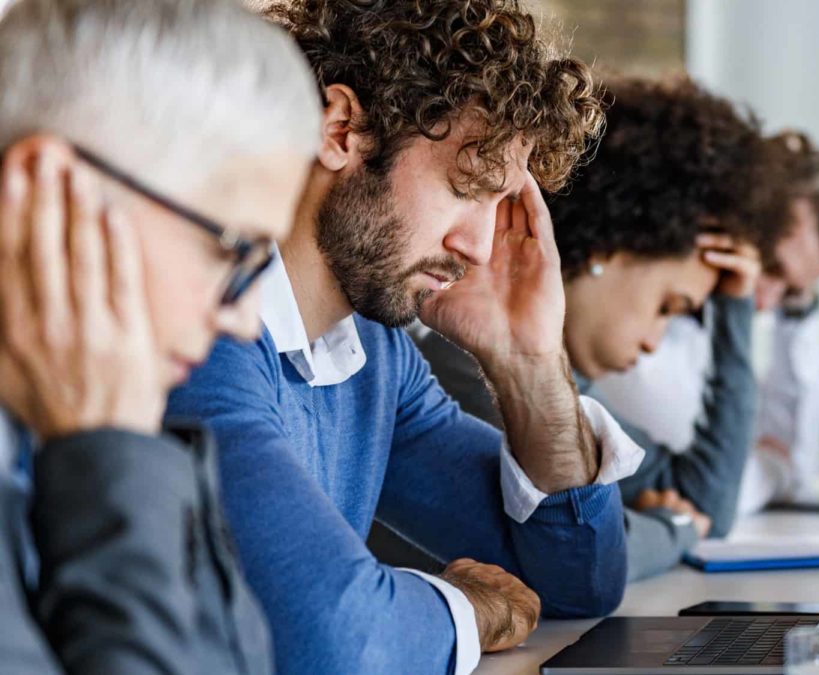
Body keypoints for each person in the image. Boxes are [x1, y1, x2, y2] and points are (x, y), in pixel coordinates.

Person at [165, 1, 638, 673]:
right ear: (342, 129)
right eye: (463, 187)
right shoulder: (201, 332)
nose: (477, 247)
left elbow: (580, 580)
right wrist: (468, 606)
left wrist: (529, 363)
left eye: (500, 207)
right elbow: (336, 636)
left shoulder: (374, 356)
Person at [0, 0, 322, 671]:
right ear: (52, 186)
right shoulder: (97, 447)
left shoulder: (74, 429)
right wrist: (109, 463)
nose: (242, 317)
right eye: (232, 251)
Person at [414, 75, 771, 578]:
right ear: (610, 247)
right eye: (666, 306)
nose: (653, 341)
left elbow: (706, 502)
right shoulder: (476, 361)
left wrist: (735, 307)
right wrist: (671, 528)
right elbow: (588, 561)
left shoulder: (574, 389)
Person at [593, 130, 819, 514]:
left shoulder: (715, 322)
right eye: (769, 267)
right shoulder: (635, 326)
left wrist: (801, 313)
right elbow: (718, 490)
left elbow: (801, 466)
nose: (767, 302)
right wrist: (771, 467)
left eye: (790, 293)